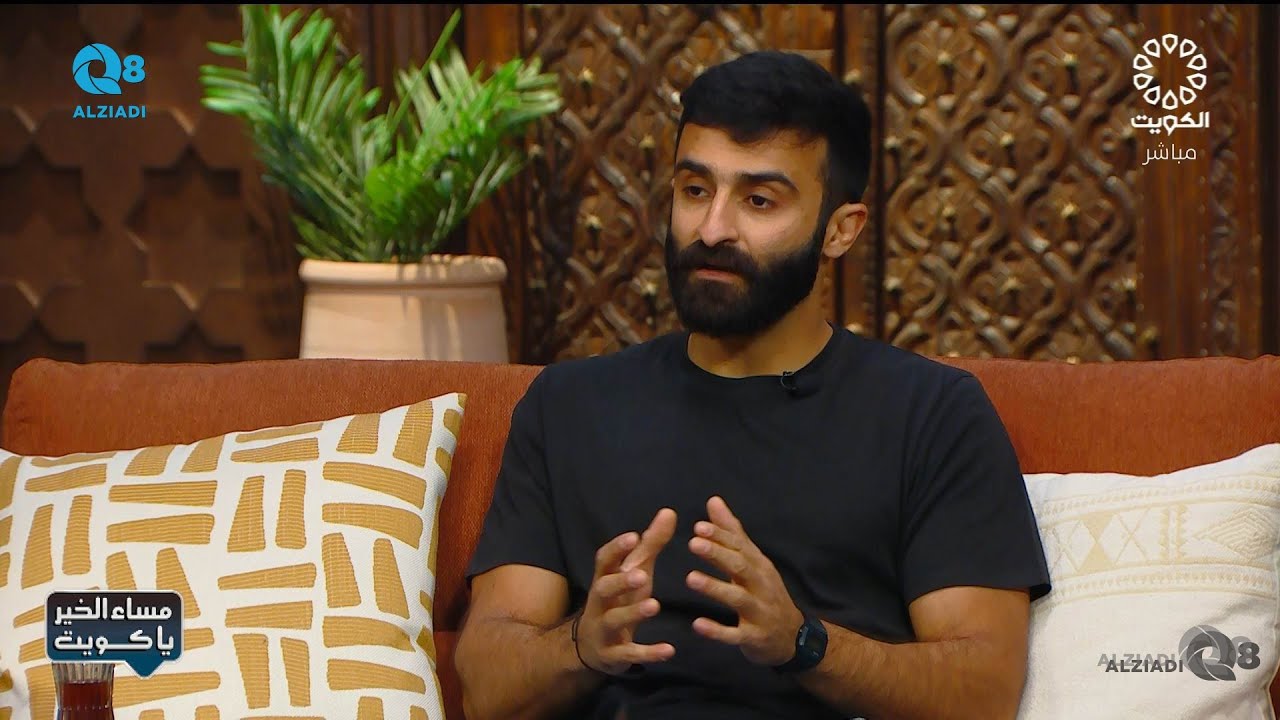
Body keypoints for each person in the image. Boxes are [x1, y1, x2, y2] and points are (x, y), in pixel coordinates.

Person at [455, 50, 1052, 720]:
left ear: (840, 230)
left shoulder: (931, 413)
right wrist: (580, 646)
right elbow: (486, 689)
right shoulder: (568, 407)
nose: (713, 230)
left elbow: (983, 691)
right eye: (695, 190)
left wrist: (804, 644)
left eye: (758, 200)